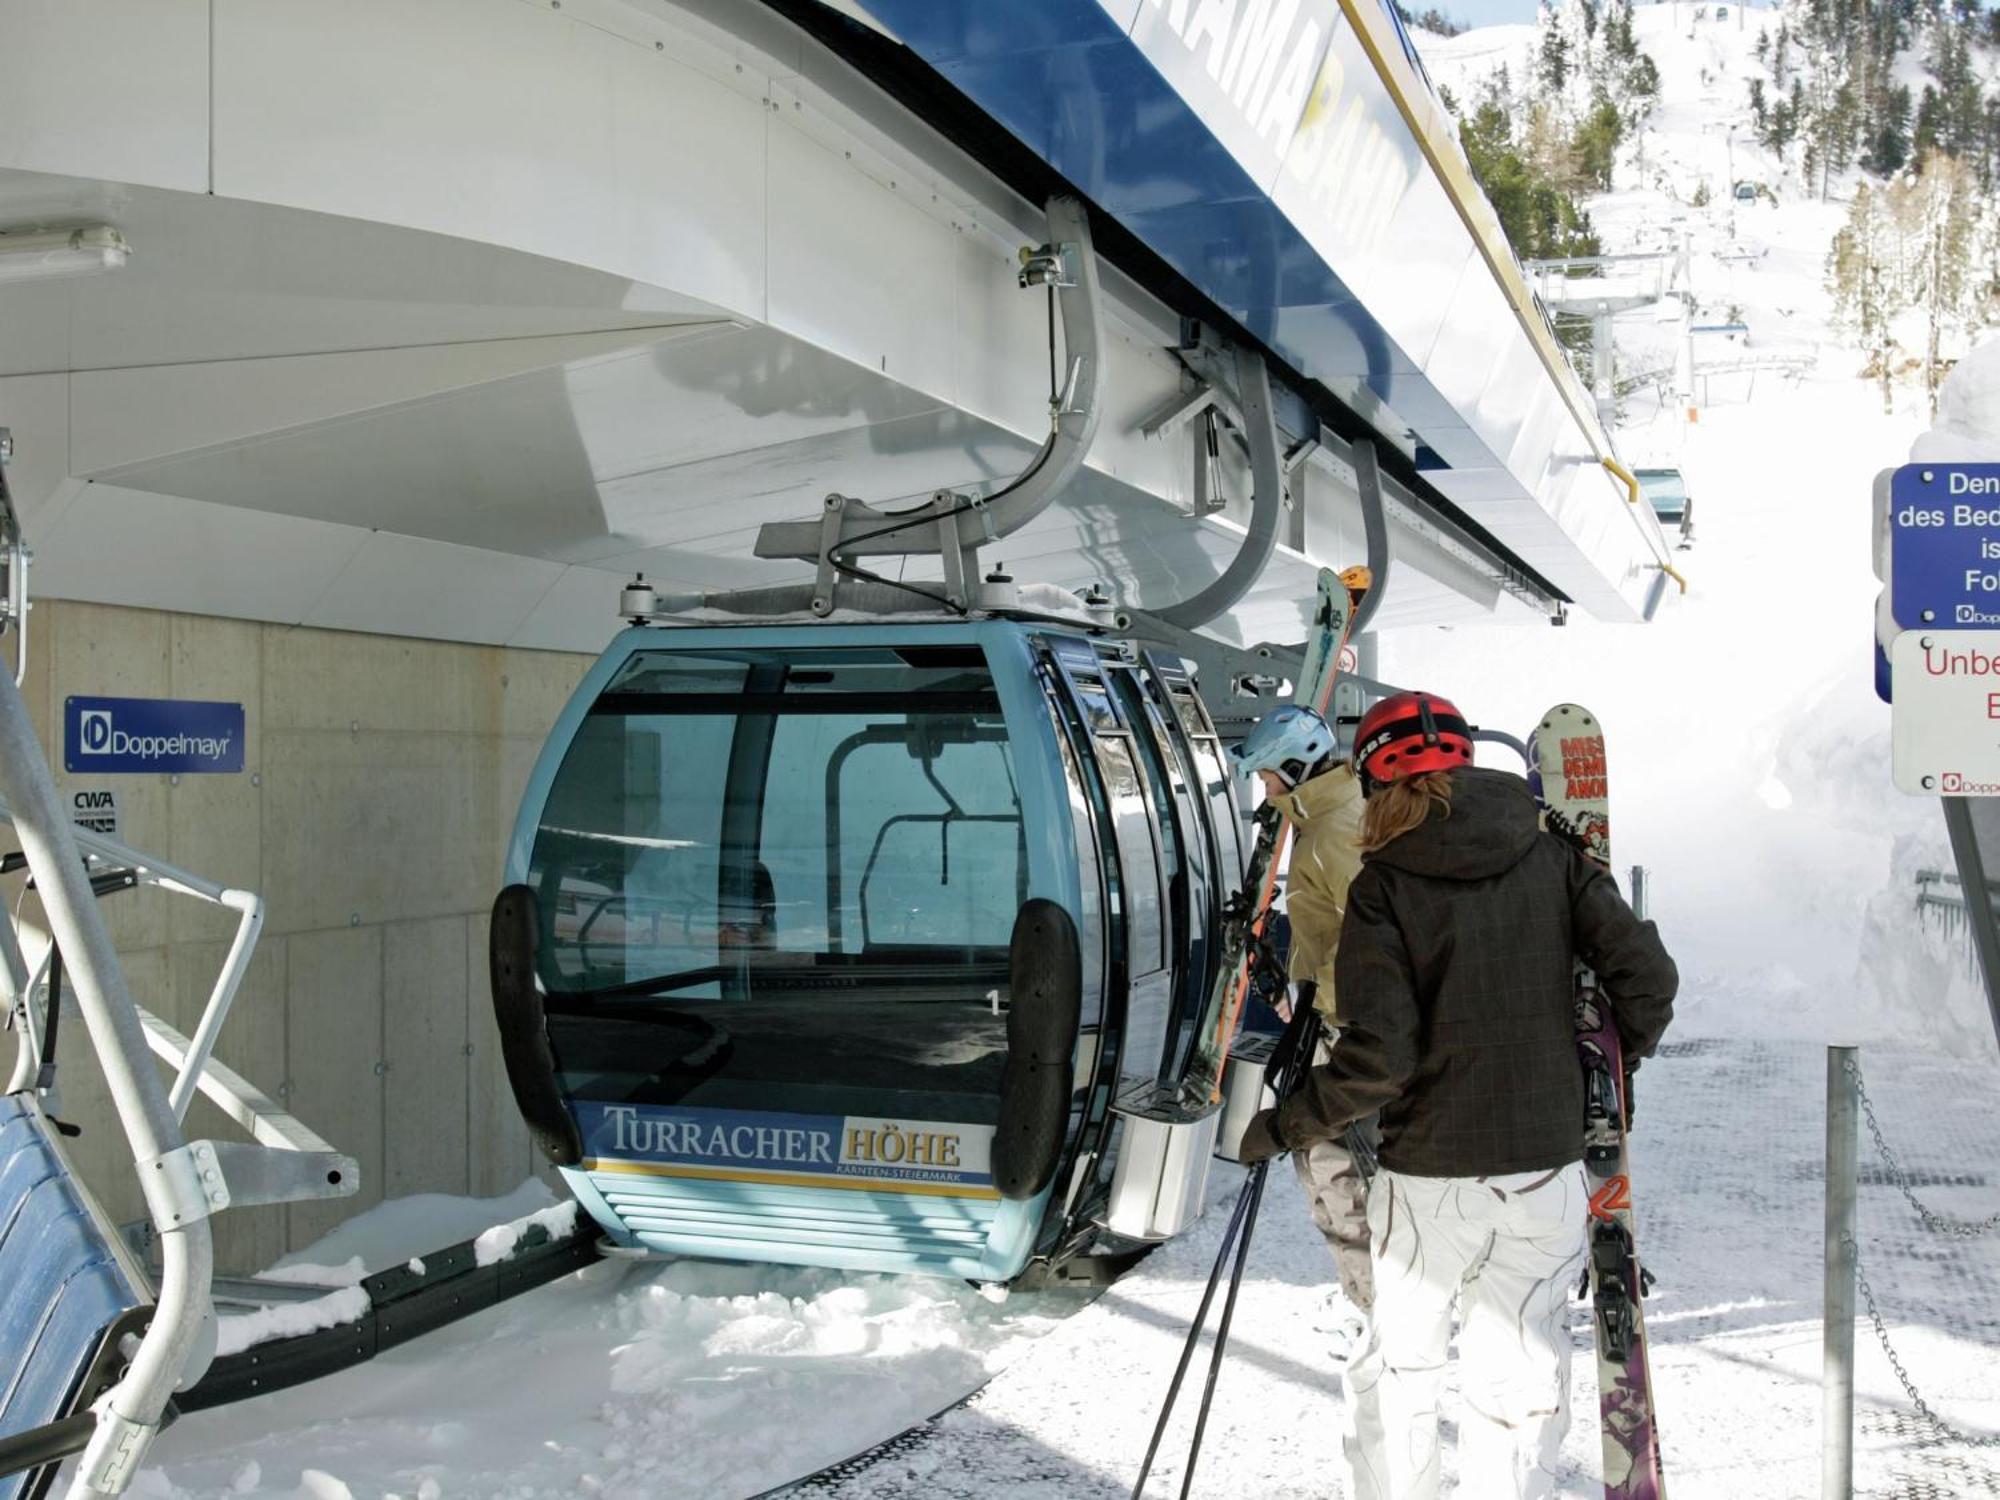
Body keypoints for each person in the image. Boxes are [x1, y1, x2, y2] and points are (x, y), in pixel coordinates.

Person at [1238, 690, 1677, 1500]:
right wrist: (1612, 1072)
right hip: (1545, 1168)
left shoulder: (1385, 887)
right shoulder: (1554, 854)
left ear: (1375, 779)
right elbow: (1647, 979)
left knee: (1401, 1369)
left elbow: (1380, 1061)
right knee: (1521, 1364)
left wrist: (1283, 1125)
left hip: (1428, 1174)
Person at [1225, 703, 1383, 1499]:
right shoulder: (1324, 821)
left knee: (1333, 1162)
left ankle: (1375, 1303)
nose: (1260, 786)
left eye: (1264, 772)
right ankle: (1369, 1293)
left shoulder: (1335, 833)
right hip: (1325, 1013)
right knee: (1322, 1159)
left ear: (1292, 769)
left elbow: (1375, 936)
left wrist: (1338, 1015)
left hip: (1350, 1028)